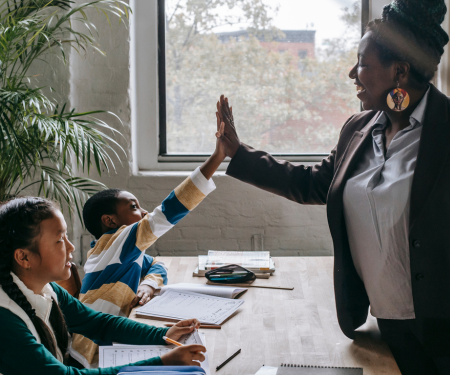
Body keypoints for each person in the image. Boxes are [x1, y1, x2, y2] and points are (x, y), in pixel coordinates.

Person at [215, 0, 450, 374]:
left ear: (400, 72)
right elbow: (315, 183)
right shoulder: (358, 129)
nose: (351, 73)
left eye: (362, 63)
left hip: (440, 334)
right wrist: (237, 153)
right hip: (381, 323)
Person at [71, 116, 226, 368]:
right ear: (110, 221)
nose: (143, 212)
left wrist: (149, 285)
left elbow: (157, 264)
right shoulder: (114, 242)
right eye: (134, 207)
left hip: (112, 338)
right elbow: (167, 212)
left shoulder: (120, 250)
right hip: (93, 353)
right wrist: (217, 157)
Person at [0, 197, 207, 375]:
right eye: (59, 240)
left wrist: (162, 335)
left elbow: (99, 324)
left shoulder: (47, 289)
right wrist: (162, 363)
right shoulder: (6, 320)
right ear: (24, 257)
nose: (71, 247)